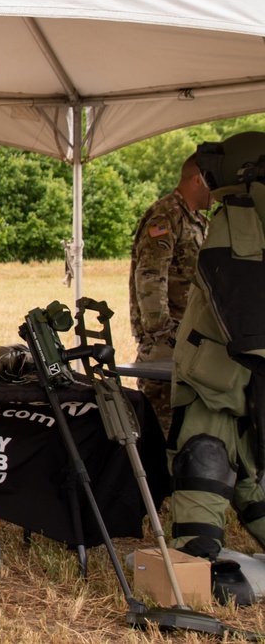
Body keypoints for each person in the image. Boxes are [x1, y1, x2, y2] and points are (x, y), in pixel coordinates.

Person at [168, 131, 265, 606]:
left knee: (203, 453)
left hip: (219, 370)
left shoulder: (241, 215)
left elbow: (235, 289)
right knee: (249, 458)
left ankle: (199, 557)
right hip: (244, 373)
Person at [129, 154, 213, 430]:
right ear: (197, 179)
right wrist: (163, 333)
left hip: (188, 338)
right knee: (162, 425)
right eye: (212, 182)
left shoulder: (198, 220)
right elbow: (151, 276)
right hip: (168, 343)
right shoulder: (166, 216)